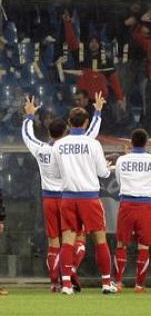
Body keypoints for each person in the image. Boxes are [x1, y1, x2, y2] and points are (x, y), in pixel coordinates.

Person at [21, 94, 103, 292]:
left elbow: (27, 136)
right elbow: (90, 133)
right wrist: (98, 112)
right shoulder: (67, 147)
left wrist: (29, 116)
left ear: (49, 132)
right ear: (66, 130)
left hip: (49, 198)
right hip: (69, 197)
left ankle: (55, 283)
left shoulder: (41, 149)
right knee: (78, 240)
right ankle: (70, 269)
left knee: (54, 242)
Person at [51, 104, 116, 294]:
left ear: (69, 123)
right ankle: (105, 283)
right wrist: (107, 166)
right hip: (89, 198)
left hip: (68, 197)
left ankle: (66, 285)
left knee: (68, 241)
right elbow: (103, 173)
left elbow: (55, 173)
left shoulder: (59, 144)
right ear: (86, 123)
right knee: (100, 239)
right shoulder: (93, 143)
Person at [113, 128, 151, 293]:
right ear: (147, 143)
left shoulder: (122, 160)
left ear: (131, 142)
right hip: (146, 204)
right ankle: (139, 285)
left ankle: (118, 283)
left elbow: (119, 181)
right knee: (143, 246)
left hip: (126, 203)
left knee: (121, 243)